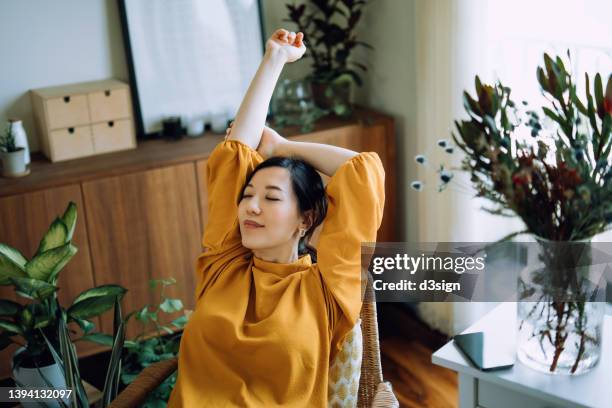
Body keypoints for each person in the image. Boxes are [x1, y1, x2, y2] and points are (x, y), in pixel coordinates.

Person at [168, 28, 385, 407]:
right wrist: (274, 58)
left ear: (305, 219)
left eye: (270, 198)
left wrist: (283, 147)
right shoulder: (224, 264)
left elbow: (362, 174)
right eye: (248, 196)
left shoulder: (327, 290)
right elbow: (235, 152)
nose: (251, 206)